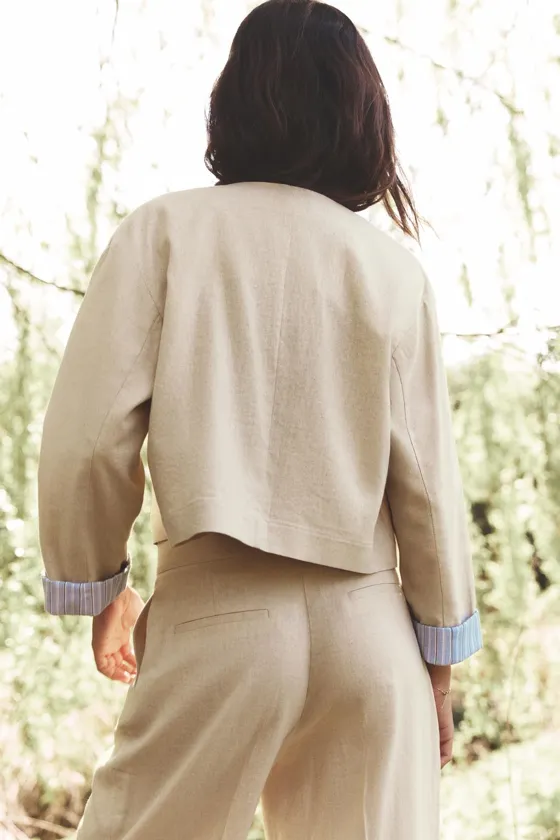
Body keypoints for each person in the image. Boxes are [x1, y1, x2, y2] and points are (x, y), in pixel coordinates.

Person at [38, 1, 482, 838]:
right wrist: (438, 665)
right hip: (371, 634)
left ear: (232, 101)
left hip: (219, 618)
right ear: (363, 118)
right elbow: (427, 487)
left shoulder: (163, 234)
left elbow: (90, 442)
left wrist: (99, 584)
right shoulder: (391, 272)